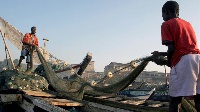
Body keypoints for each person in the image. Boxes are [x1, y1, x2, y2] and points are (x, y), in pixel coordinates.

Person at [157, 1, 200, 112]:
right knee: (198, 95)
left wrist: (169, 62)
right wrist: (160, 54)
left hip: (183, 62)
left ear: (166, 12)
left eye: (162, 14)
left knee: (175, 99)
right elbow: (183, 48)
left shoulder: (167, 24)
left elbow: (171, 48)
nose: (162, 17)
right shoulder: (187, 24)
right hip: (197, 59)